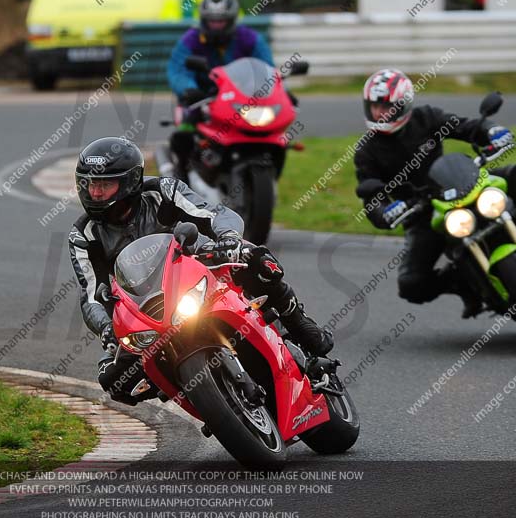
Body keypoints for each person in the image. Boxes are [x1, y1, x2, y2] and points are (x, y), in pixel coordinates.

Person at [69, 137, 333, 405]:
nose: (96, 193)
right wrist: (106, 327)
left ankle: (300, 324)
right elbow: (91, 296)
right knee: (114, 381)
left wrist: (229, 238)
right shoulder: (83, 235)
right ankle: (192, 390)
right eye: (91, 185)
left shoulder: (164, 191)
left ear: (128, 182)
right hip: (149, 309)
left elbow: (215, 214)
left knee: (258, 260)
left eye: (105, 185)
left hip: (200, 269)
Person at [354, 68, 516, 317]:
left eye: (386, 106)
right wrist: (384, 211)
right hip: (421, 213)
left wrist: (491, 131)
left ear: (403, 104)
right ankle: (468, 287)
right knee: (411, 284)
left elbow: (466, 127)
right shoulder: (366, 151)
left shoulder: (427, 117)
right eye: (374, 106)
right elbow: (371, 198)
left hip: (460, 183)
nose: (379, 112)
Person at [165, 0, 274, 180]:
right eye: (212, 21)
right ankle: (181, 178)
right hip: (201, 97)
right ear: (203, 19)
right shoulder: (191, 39)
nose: (216, 25)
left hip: (243, 98)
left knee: (267, 126)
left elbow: (267, 69)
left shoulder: (249, 38)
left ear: (231, 20)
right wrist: (188, 89)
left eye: (221, 21)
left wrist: (277, 91)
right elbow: (177, 70)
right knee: (183, 135)